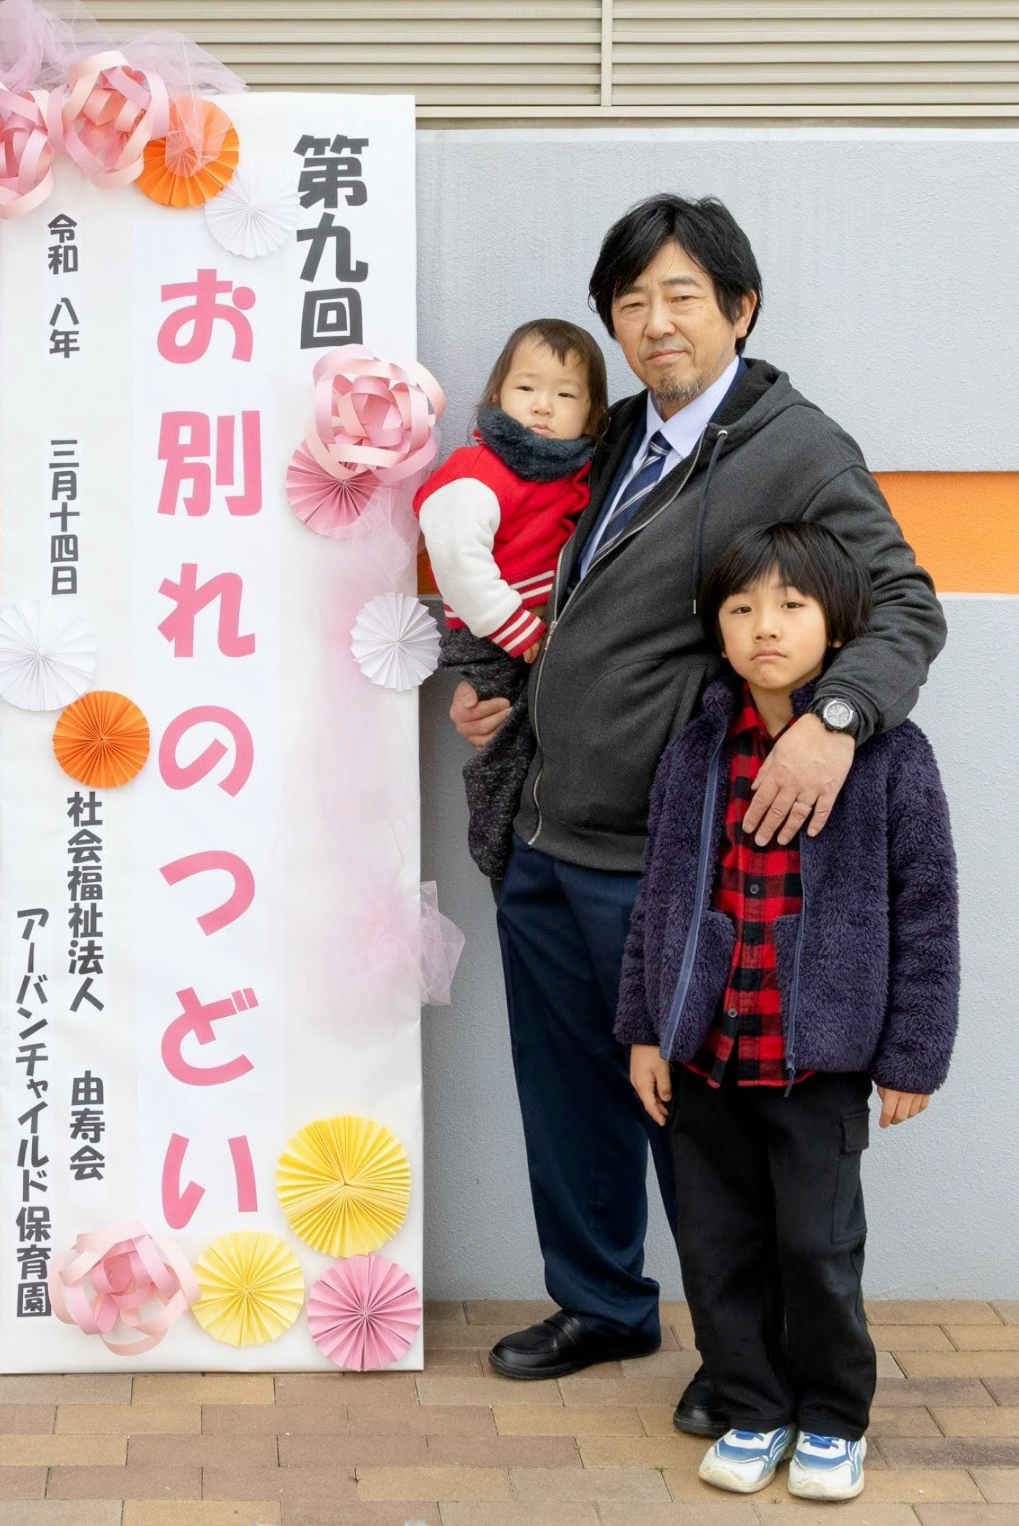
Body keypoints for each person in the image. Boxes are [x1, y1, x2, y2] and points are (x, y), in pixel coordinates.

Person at [449, 195, 946, 1436]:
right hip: (546, 831)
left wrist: (835, 722)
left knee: (695, 1120)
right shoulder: (614, 433)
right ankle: (600, 1302)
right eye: (631, 301)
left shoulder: (794, 446)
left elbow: (904, 604)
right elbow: (548, 585)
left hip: (668, 855)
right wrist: (501, 693)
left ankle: (743, 1357)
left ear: (739, 307)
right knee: (566, 1097)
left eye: (681, 296)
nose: (654, 321)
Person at [616, 522, 958, 1501]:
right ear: (717, 630)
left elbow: (927, 912)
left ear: (837, 626)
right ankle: (752, 1406)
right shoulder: (696, 750)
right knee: (717, 1247)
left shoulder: (891, 756)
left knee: (816, 1245)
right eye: (741, 608)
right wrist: (646, 1028)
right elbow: (659, 898)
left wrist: (912, 1056)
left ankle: (834, 1418)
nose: (764, 626)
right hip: (705, 1055)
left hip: (817, 1062)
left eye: (790, 605)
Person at [413, 318, 609, 878]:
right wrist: (514, 626)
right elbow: (456, 557)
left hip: (541, 634)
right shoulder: (479, 469)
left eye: (565, 395)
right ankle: (499, 851)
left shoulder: (573, 474)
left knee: (545, 746)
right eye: (527, 388)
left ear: (592, 415)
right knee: (504, 748)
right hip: (498, 635)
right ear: (498, 394)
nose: (543, 406)